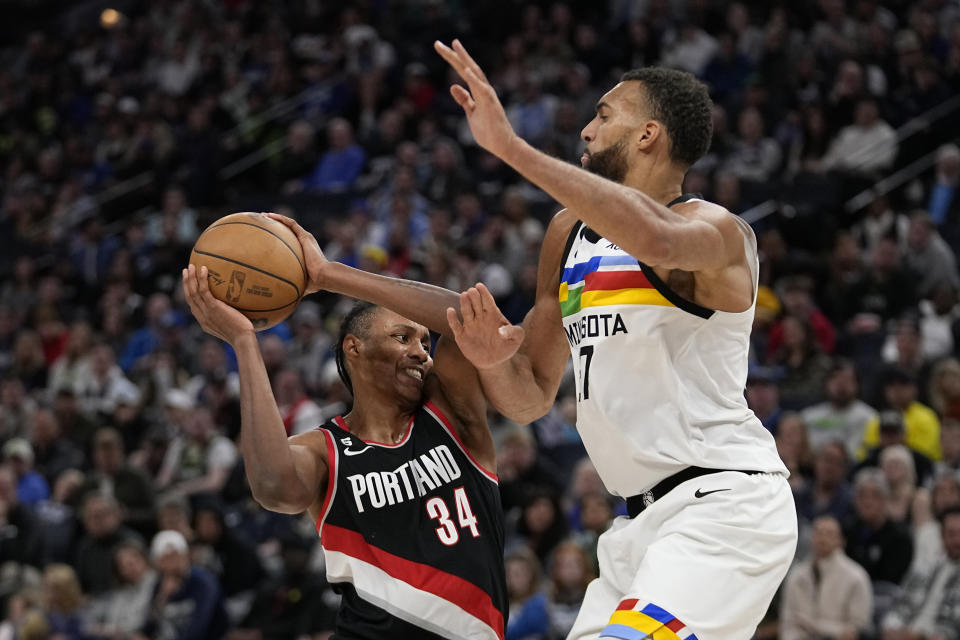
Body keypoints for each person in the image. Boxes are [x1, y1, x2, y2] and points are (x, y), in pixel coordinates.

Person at [430, 39, 796, 639]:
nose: (585, 128)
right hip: (634, 530)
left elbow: (658, 241)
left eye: (603, 114)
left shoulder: (717, 232)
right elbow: (530, 398)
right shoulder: (566, 236)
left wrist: (512, 150)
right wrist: (494, 362)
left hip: (724, 505)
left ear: (649, 134)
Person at [182, 262, 508, 638]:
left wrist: (325, 275)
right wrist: (244, 341)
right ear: (354, 347)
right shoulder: (325, 450)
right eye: (402, 337)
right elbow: (273, 487)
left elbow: (470, 318)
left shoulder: (450, 413)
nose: (420, 352)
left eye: (424, 342)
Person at [779, 515, 872, 640]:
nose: (823, 538)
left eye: (829, 534)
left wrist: (813, 625)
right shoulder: (796, 575)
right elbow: (787, 624)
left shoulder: (856, 576)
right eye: (818, 533)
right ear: (811, 538)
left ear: (841, 541)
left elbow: (857, 630)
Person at [880, 507, 960, 639]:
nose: (957, 540)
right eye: (951, 534)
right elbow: (901, 603)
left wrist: (923, 636)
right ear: (942, 536)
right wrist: (892, 626)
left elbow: (955, 622)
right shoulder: (925, 566)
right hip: (907, 632)